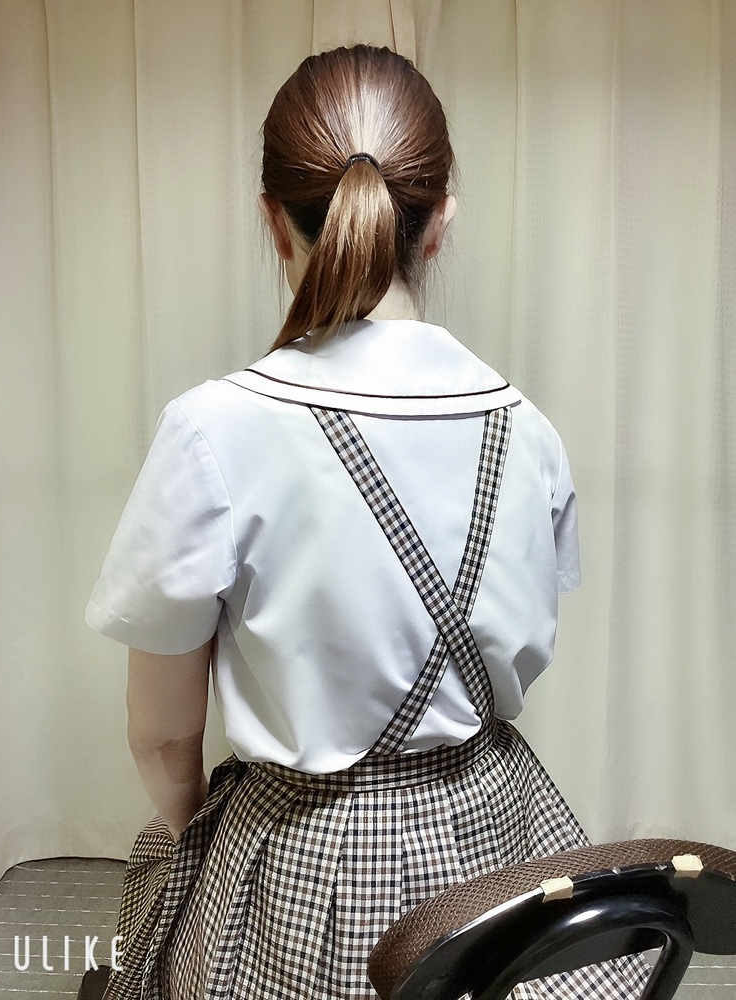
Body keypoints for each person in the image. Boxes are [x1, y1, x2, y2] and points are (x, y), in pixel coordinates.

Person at [83, 45, 649, 1000]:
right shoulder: (528, 430)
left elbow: (163, 738)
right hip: (497, 850)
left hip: (299, 868)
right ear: (441, 223)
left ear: (274, 219)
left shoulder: (212, 430)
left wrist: (198, 852)